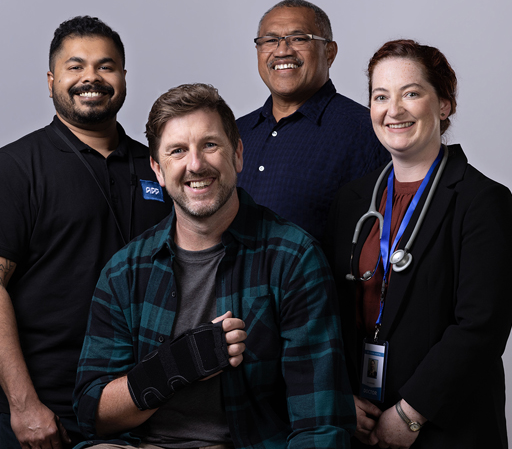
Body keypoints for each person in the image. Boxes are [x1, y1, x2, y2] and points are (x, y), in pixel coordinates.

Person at [74, 83, 355, 449]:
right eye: (177, 151)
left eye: (210, 144)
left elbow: (321, 426)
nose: (195, 164)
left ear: (237, 154)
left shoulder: (294, 258)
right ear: (157, 170)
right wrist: (176, 366)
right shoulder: (124, 271)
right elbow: (93, 413)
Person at [0, 16, 172, 449]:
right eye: (75, 66)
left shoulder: (156, 165)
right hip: (47, 409)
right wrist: (24, 405)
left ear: (124, 77)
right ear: (51, 79)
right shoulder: (16, 167)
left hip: (139, 402)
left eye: (106, 65)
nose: (91, 78)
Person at [323, 40, 512, 448]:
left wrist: (412, 413)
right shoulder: (352, 201)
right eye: (380, 96)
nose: (393, 110)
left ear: (445, 104)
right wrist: (342, 396)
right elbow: (332, 312)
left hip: (445, 427)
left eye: (411, 93)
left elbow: (480, 328)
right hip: (361, 420)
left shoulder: (483, 201)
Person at [237, 0, 388, 241]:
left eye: (298, 39)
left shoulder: (367, 131)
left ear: (330, 52)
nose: (282, 50)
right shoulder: (234, 133)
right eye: (270, 40)